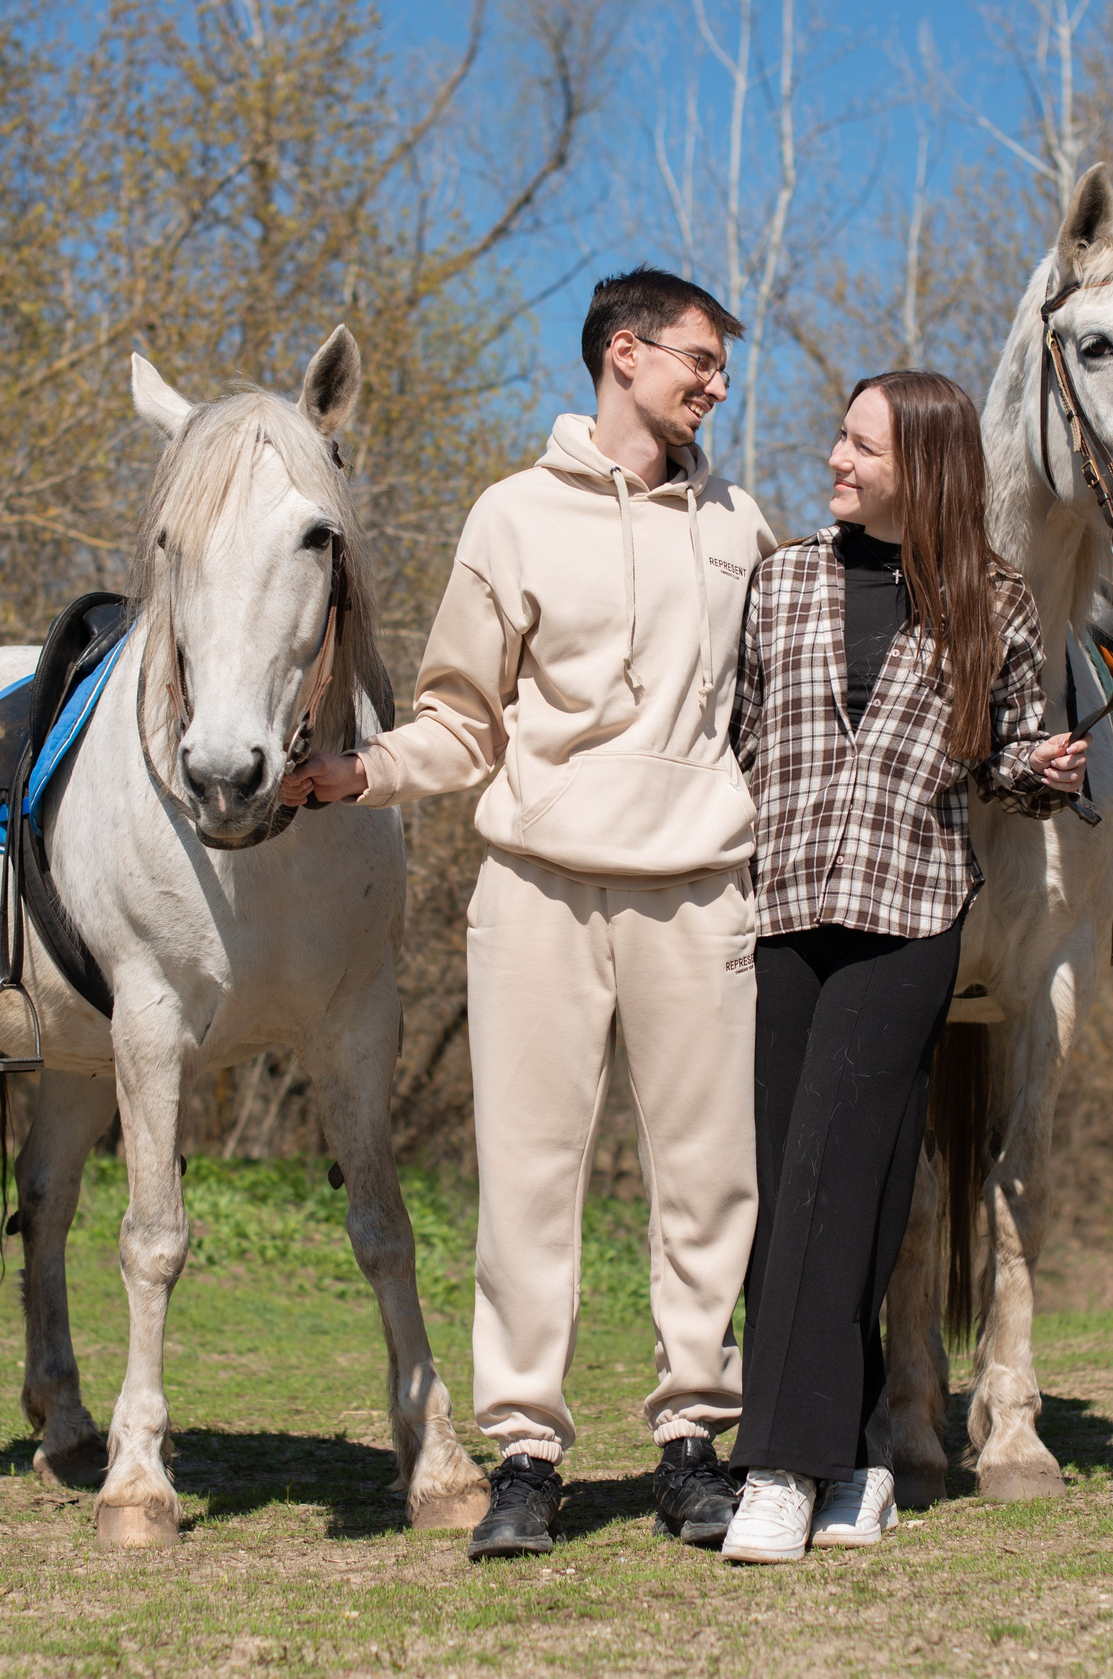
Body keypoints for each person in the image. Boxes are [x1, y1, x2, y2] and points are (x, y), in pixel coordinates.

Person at [284, 269, 780, 1561]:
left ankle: (691, 1446)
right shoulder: (507, 518)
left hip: (699, 892)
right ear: (625, 355)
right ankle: (525, 1458)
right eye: (698, 359)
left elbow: (780, 708)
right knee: (527, 1184)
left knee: (710, 1184)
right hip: (537, 894)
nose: (715, 383)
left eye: (719, 366)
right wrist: (362, 772)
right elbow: (461, 718)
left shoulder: (739, 525)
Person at [716, 370, 1088, 1565]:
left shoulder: (996, 603)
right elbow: (742, 734)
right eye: (838, 435)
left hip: (909, 915)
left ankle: (781, 1463)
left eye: (861, 445)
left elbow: (1007, 757)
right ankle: (867, 1459)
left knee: (832, 1165)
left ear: (920, 466)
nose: (834, 456)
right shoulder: (781, 581)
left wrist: (1047, 767)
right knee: (813, 1185)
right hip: (786, 913)